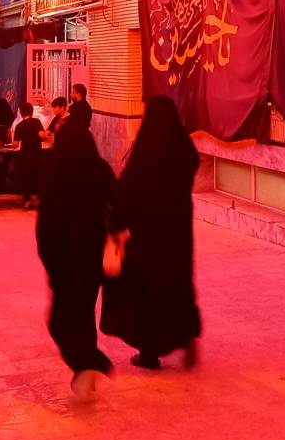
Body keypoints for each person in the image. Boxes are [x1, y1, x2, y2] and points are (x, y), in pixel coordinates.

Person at [100, 95, 202, 371]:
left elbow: (125, 191)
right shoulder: (182, 146)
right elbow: (193, 163)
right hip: (177, 232)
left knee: (146, 290)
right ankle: (185, 333)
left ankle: (149, 353)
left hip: (146, 236)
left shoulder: (146, 153)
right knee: (177, 283)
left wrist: (115, 219)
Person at [36, 121, 116, 400]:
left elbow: (45, 222)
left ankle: (88, 364)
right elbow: (117, 200)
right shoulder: (99, 168)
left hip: (63, 257)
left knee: (60, 320)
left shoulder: (52, 170)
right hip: (91, 255)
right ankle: (89, 365)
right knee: (83, 314)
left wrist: (48, 258)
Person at [11, 102, 47, 206]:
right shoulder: (36, 122)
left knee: (26, 177)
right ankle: (39, 199)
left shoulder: (19, 125)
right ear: (32, 112)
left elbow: (15, 144)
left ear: (21, 113)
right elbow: (42, 136)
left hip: (25, 154)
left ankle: (27, 200)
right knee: (38, 176)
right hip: (37, 153)